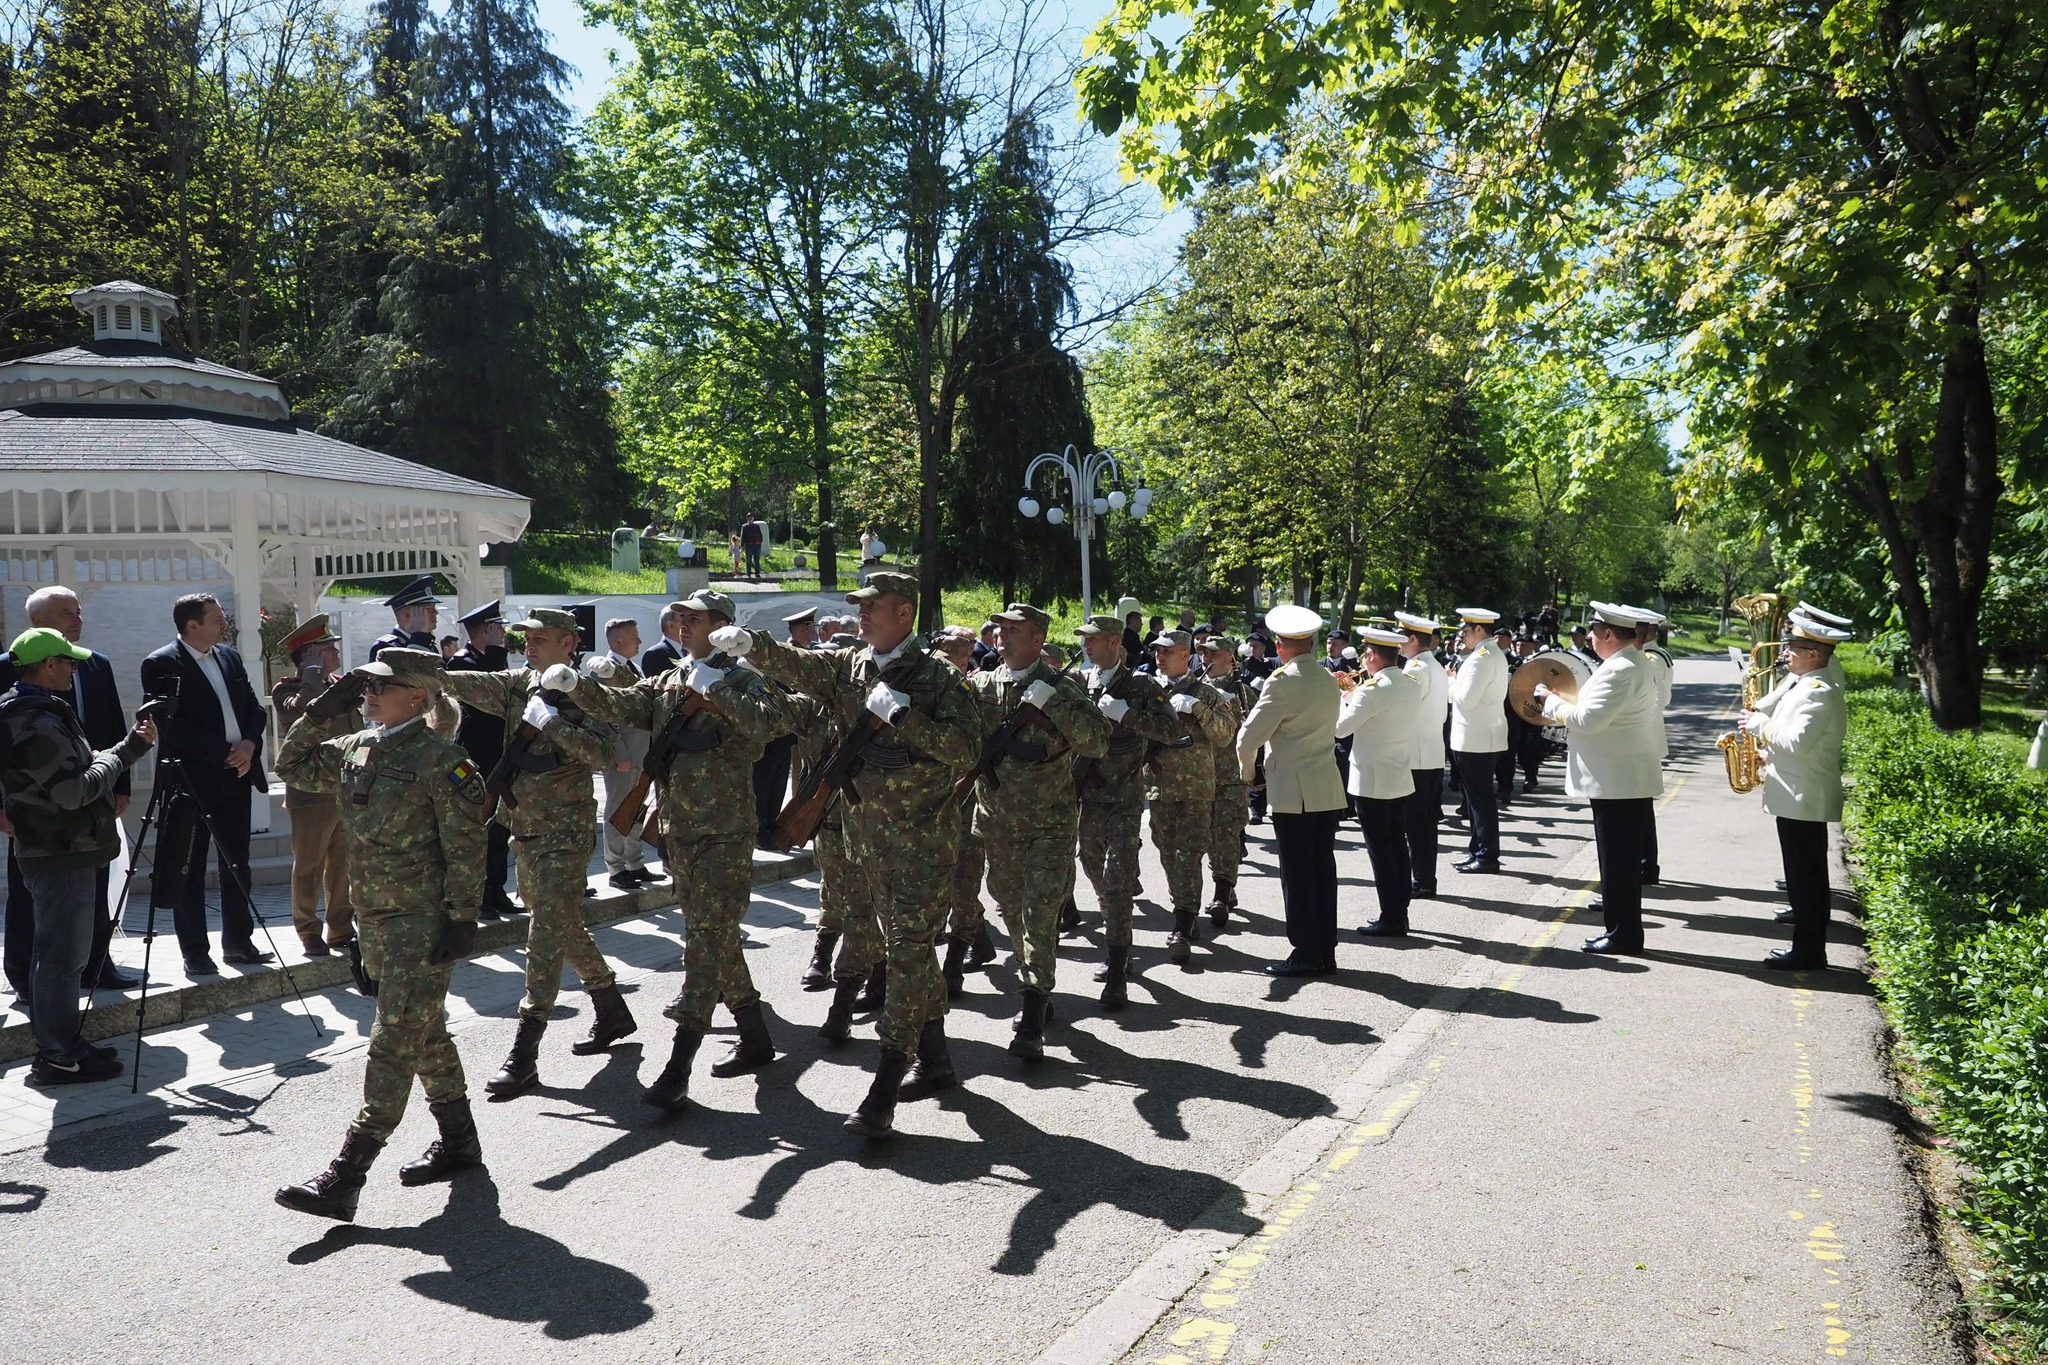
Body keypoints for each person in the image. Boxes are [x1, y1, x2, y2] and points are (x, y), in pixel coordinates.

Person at [726, 571, 979, 1137]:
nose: (862, 616)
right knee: (909, 952)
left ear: (906, 614)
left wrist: (904, 716)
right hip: (868, 840)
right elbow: (804, 667)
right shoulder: (851, 666)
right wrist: (751, 646)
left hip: (923, 843)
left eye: (873, 608)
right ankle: (937, 1062)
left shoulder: (939, 678)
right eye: (859, 608)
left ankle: (884, 1086)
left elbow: (965, 750)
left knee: (909, 952)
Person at [272, 648, 488, 1220]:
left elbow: (467, 847)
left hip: (422, 919)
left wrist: (464, 919)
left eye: (381, 686)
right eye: (364, 685)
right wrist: (320, 711)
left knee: (393, 1040)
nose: (368, 694)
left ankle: (346, 1174)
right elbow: (289, 765)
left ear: (417, 695)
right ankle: (461, 1142)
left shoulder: (444, 761)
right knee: (425, 1031)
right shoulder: (354, 749)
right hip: (374, 921)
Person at [559, 589, 788, 1109]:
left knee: (705, 940)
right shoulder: (669, 679)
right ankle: (755, 1037)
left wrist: (718, 690)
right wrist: (578, 685)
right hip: (678, 831)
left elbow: (765, 726)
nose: (682, 625)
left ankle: (678, 1064)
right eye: (680, 618)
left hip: (725, 831)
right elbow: (624, 705)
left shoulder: (742, 678)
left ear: (724, 625)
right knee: (713, 933)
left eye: (696, 618)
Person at [438, 607, 634, 1096]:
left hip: (565, 832)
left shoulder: (584, 689)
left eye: (541, 638)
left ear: (569, 642)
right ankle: (611, 1007)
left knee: (544, 934)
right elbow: (463, 684)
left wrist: (553, 723)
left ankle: (525, 1052)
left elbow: (606, 752)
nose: (530, 645)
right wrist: (416, 670)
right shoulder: (516, 683)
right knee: (561, 920)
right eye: (526, 637)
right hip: (524, 827)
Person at [0, 628, 156, 1085]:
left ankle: (64, 1046)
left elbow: (76, 769)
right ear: (48, 665)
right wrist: (127, 752)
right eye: (68, 662)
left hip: (64, 848)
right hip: (59, 851)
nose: (74, 668)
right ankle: (57, 1055)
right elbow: (73, 790)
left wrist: (121, 750)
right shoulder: (33, 720)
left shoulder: (37, 711)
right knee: (60, 958)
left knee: (62, 957)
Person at [961, 604, 1108, 1056]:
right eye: (1000, 629)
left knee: (1039, 913)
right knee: (1008, 906)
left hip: (1049, 823)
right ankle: (1035, 981)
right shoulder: (984, 684)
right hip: (996, 821)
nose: (1002, 636)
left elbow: (1097, 741)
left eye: (1014, 630)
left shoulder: (1064, 686)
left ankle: (1031, 1008)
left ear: (1038, 639)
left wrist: (1055, 707)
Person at [1, 586, 141, 998]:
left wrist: (120, 787)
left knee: (95, 883)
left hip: (90, 800)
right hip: (32, 809)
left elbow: (115, 727)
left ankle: (96, 964)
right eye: (66, 613)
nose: (77, 620)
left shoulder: (96, 665)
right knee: (32, 894)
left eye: (78, 612)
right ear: (38, 622)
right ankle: (25, 974)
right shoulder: (8, 669)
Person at [141, 592, 273, 973]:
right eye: (216, 619)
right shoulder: (162, 662)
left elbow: (251, 706)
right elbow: (171, 724)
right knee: (189, 867)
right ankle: (195, 953)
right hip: (191, 780)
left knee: (237, 863)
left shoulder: (228, 656)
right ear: (192, 625)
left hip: (237, 773)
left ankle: (239, 942)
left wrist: (249, 744)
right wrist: (222, 752)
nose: (224, 623)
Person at [1534, 603, 1664, 955]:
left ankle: (1623, 934)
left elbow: (1589, 721)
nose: (1589, 637)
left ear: (1608, 634)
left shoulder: (1619, 669)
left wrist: (1550, 702)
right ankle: (1622, 931)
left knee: (1617, 863)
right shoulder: (1625, 664)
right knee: (1618, 861)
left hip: (1617, 781)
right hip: (1619, 778)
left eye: (1593, 631)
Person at [1068, 616, 1175, 1006]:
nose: (1087, 645)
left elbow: (1171, 731)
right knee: (1096, 874)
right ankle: (1119, 942)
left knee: (1117, 882)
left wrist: (1126, 715)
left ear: (1115, 641)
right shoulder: (1081, 682)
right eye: (1085, 640)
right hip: (1087, 798)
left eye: (1093, 639)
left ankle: (1116, 968)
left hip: (1126, 799)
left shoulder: (1142, 685)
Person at [1236, 605, 1347, 976]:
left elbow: (1247, 738)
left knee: (1297, 875)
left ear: (1282, 646)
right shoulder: (1328, 678)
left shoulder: (1282, 681)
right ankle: (1324, 948)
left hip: (1293, 792)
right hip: (1326, 788)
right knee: (1322, 870)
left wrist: (1249, 773)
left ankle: (1306, 952)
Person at [1743, 613, 1851, 969]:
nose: (1786, 652)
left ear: (1815, 654)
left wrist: (1759, 725)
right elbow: (1795, 741)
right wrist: (1767, 753)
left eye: (1794, 647)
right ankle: (1809, 946)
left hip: (1802, 798)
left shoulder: (1817, 692)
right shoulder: (1805, 684)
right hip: (1798, 794)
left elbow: (1797, 741)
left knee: (1804, 881)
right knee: (1808, 879)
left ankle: (1807, 952)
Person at [1145, 629, 1236, 966]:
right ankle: (1184, 908)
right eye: (1157, 651)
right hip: (1159, 787)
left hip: (1197, 790)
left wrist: (1198, 709)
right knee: (1168, 854)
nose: (1160, 656)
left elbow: (1225, 736)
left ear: (1186, 654)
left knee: (1188, 855)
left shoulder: (1207, 693)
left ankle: (1182, 925)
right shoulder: (1148, 691)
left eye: (1167, 651)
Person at [269, 615, 357, 958]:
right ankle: (308, 930)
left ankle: (341, 928)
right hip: (310, 792)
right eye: (328, 647)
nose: (335, 651)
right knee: (309, 865)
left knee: (342, 864)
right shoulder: (288, 689)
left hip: (344, 788)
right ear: (312, 654)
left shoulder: (341, 685)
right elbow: (303, 711)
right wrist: (311, 675)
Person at [1338, 628, 1423, 936]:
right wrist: (1353, 695)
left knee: (1380, 850)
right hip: (1398, 773)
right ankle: (1400, 908)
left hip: (1371, 778)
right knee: (1398, 844)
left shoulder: (1371, 690)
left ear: (1372, 657)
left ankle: (1391, 917)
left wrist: (1341, 697)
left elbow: (1341, 729)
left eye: (1365, 655)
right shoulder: (1409, 683)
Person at [446, 600, 517, 919]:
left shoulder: (487, 658)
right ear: (484, 630)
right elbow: (489, 702)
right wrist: (495, 655)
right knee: (478, 826)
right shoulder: (463, 662)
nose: (502, 633)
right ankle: (479, 895)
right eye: (497, 628)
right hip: (476, 753)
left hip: (498, 752)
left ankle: (496, 887)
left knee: (499, 826)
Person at [591, 618, 658, 890]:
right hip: (625, 756)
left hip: (642, 753)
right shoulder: (604, 672)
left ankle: (634, 861)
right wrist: (619, 754)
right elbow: (602, 717)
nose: (640, 641)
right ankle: (615, 868)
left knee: (637, 809)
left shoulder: (634, 668)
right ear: (618, 641)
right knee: (617, 810)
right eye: (634, 636)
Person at [1196, 636, 1255, 932]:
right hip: (1198, 775)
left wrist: (1256, 768)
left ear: (1230, 659)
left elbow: (1259, 732)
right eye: (1203, 653)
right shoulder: (1193, 689)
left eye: (1214, 654)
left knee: (1227, 833)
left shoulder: (1244, 692)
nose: (1206, 658)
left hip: (1231, 775)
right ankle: (1226, 885)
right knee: (1206, 837)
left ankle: (1220, 893)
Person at [1446, 607, 1509, 876]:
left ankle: (1485, 855)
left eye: (1466, 630)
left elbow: (1466, 699)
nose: (1463, 635)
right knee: (1477, 800)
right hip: (1484, 736)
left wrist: (1451, 682)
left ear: (1479, 630)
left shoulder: (1480, 658)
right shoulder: (1492, 654)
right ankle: (1479, 851)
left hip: (1475, 738)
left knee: (1480, 800)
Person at [1393, 612, 1449, 899]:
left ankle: (1422, 879)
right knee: (1424, 822)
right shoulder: (1434, 665)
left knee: (1415, 823)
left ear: (1413, 639)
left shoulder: (1415, 668)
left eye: (1402, 638)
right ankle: (1426, 877)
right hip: (1431, 753)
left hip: (1415, 755)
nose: (1399, 645)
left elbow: (1404, 708)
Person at [1628, 607, 1675, 883]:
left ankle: (1645, 866)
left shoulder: (1651, 658)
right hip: (1645, 739)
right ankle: (1646, 865)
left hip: (1641, 739)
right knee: (1641, 809)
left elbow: (1656, 702)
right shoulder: (1653, 656)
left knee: (1639, 811)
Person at [369, 574, 440, 661]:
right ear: (407, 614)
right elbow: (411, 671)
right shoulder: (385, 647)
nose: (436, 612)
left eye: (434, 608)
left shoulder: (429, 644)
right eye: (428, 609)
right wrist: (419, 636)